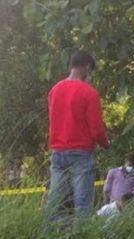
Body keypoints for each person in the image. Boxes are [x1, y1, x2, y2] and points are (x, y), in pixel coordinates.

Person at [45, 50, 109, 224]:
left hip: (58, 152)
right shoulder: (89, 92)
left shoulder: (55, 90)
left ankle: (46, 236)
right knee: (83, 206)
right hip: (81, 153)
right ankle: (82, 238)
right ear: (87, 67)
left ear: (71, 66)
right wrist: (106, 143)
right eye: (90, 71)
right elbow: (96, 130)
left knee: (54, 204)